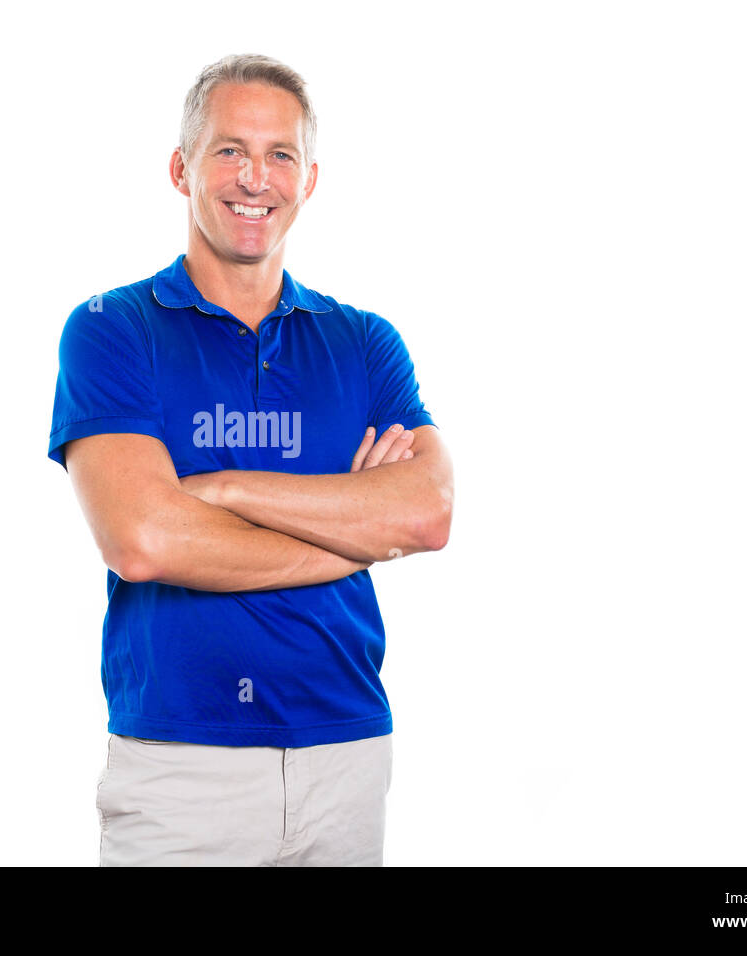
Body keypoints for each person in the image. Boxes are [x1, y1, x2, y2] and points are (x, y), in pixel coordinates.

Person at [47, 53, 453, 866]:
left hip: (345, 750)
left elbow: (426, 513)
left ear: (309, 180)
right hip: (180, 763)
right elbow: (143, 541)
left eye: (280, 156)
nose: (254, 179)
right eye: (230, 150)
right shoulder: (112, 328)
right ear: (180, 167)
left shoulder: (366, 342)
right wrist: (350, 531)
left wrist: (225, 490)